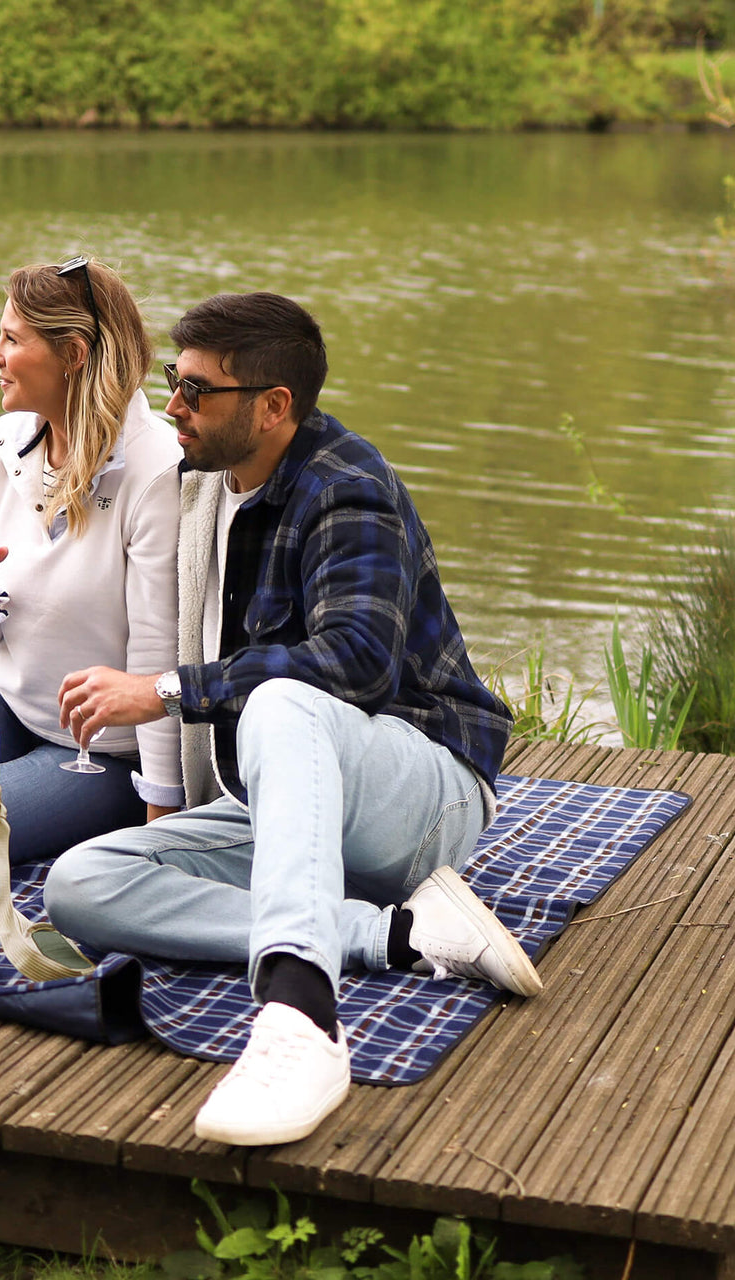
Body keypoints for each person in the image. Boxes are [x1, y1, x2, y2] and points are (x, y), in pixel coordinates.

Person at [44, 290, 540, 1148]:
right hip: (297, 800)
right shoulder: (216, 490)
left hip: (423, 795)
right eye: (174, 380)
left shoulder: (348, 489)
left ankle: (301, 1020)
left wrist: (162, 690)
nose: (173, 407)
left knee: (281, 697)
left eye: (198, 391)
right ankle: (400, 932)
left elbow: (354, 663)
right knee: (78, 887)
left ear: (274, 407)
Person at [0, 257, 183, 863]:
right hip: (1, 691)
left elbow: (158, 664)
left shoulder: (156, 474)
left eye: (11, 340)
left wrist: (161, 834)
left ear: (72, 354)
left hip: (102, 750)